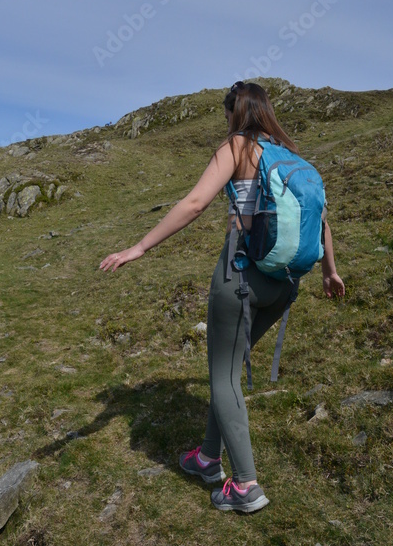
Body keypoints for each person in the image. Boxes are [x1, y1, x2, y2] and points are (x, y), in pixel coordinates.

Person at [100, 81, 344, 513]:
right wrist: (330, 271)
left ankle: (246, 485)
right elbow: (322, 218)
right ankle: (208, 458)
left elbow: (195, 203)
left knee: (223, 376)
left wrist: (137, 248)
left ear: (237, 112)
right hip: (284, 286)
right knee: (227, 368)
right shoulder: (293, 157)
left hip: (241, 279)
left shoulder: (237, 147)